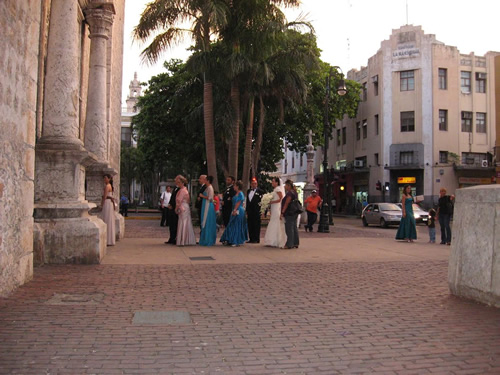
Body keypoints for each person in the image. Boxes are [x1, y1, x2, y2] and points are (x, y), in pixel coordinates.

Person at [220, 181, 248, 247]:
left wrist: (235, 210)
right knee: (231, 224)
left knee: (236, 225)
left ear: (237, 186)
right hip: (234, 209)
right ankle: (230, 239)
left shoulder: (240, 194)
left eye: (235, 186)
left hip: (238, 210)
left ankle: (236, 240)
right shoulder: (236, 193)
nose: (234, 187)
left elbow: (238, 202)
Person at [264, 177, 287, 248]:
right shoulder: (275, 189)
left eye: (273, 181)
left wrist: (272, 201)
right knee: (273, 221)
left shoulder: (277, 189)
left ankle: (274, 240)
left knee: (275, 221)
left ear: (277, 183)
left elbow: (281, 198)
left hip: (276, 206)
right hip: (274, 207)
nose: (272, 183)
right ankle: (272, 240)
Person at [175, 175, 196, 246]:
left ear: (182, 183)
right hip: (185, 206)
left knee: (183, 222)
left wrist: (176, 208)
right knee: (184, 222)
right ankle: (184, 239)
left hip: (183, 207)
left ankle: (182, 240)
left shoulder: (183, 191)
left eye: (179, 182)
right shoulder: (184, 190)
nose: (177, 184)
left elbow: (179, 201)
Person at [198, 176, 217, 246]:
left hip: (208, 206)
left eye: (205, 180)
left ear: (208, 181)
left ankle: (208, 239)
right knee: (204, 221)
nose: (204, 181)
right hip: (205, 205)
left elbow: (210, 198)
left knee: (207, 221)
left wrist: (202, 196)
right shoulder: (207, 187)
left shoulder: (210, 188)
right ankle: (204, 239)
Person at [281, 180, 299, 249]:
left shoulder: (289, 194)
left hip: (289, 212)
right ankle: (295, 242)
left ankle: (289, 244)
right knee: (294, 227)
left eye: (285, 185)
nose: (285, 187)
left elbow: (287, 203)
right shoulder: (294, 192)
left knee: (289, 228)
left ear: (288, 186)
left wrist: (282, 212)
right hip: (294, 212)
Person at [246, 178, 264, 243]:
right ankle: (251, 238)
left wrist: (262, 211)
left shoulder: (260, 191)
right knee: (250, 224)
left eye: (255, 184)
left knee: (256, 225)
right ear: (251, 184)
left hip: (257, 210)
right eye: (253, 184)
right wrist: (247, 210)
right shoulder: (248, 191)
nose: (254, 185)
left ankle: (256, 238)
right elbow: (248, 201)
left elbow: (262, 201)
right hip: (250, 211)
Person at [100, 174, 116, 246]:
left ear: (109, 179)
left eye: (106, 178)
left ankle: (107, 239)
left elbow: (105, 197)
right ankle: (109, 239)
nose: (104, 180)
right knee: (109, 219)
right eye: (104, 178)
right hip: (109, 203)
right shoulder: (110, 186)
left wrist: (101, 204)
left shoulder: (107, 186)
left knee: (106, 219)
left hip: (107, 203)